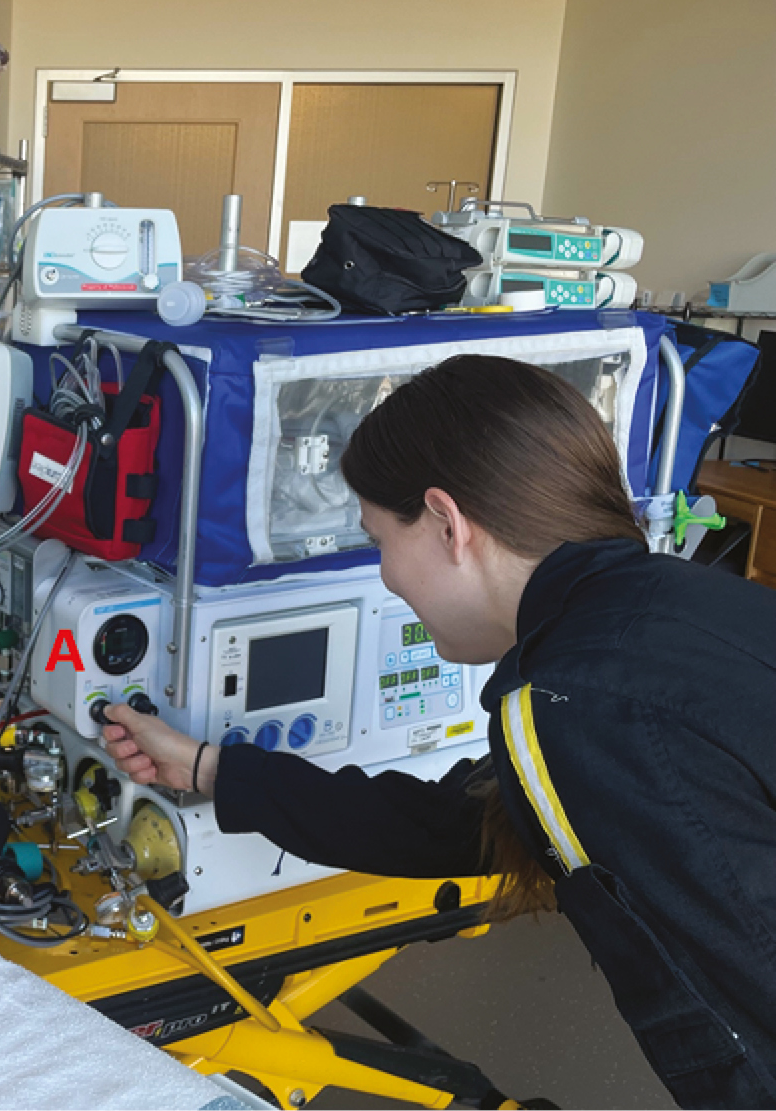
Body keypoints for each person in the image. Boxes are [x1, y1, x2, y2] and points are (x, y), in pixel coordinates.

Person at [102, 355, 776, 1109]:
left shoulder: (570, 700)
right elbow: (465, 820)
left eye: (380, 540)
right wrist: (207, 768)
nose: (388, 575)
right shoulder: (682, 608)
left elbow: (735, 1006)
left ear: (447, 522)